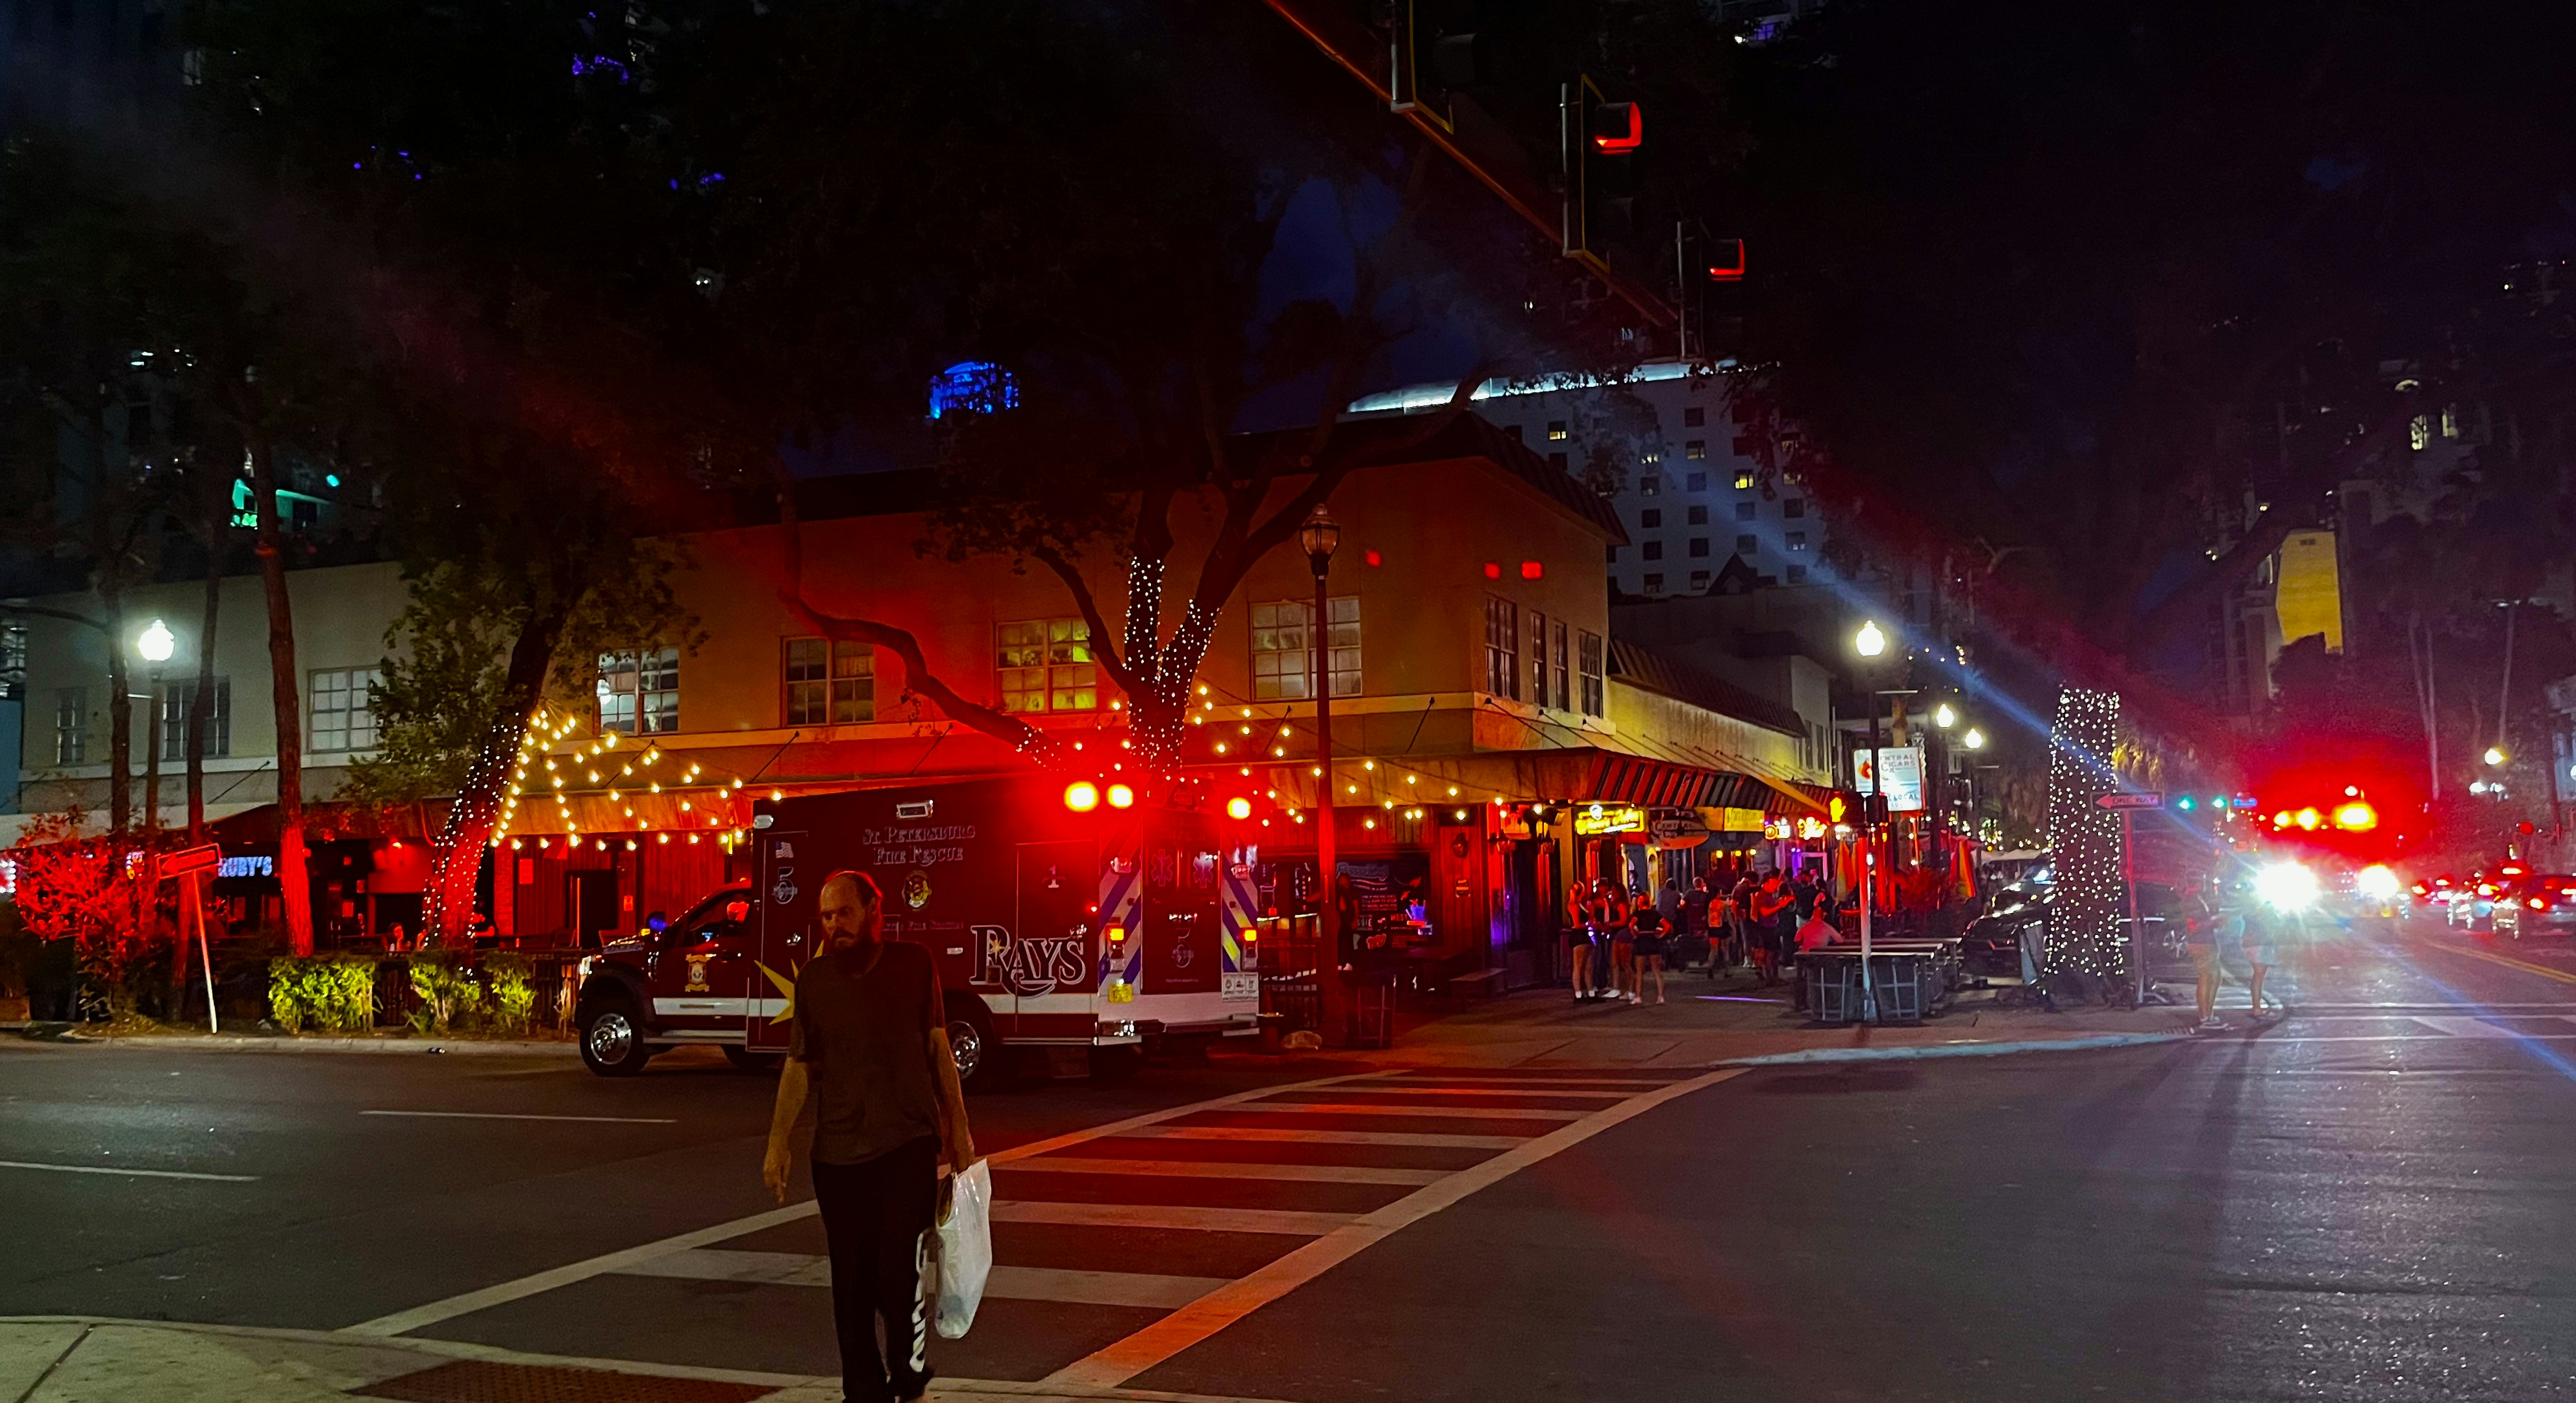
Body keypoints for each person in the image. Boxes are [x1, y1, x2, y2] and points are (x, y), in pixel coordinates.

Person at [763, 871, 978, 1403]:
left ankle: (908, 1372)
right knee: (851, 1279)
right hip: (836, 1155)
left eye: (843, 913)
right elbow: (798, 1066)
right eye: (827, 916)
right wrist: (777, 1142)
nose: (834, 925)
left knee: (895, 1269)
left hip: (906, 1143)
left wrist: (960, 1128)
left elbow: (938, 1050)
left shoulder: (914, 964)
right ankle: (862, 1386)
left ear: (874, 913)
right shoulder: (814, 980)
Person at [2188, 886, 2229, 1032]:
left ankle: (2208, 1014)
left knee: (2214, 977)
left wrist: (2215, 922)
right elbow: (2194, 926)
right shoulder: (2191, 900)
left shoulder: (2196, 899)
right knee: (2207, 977)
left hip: (2205, 943)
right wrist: (2214, 921)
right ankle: (2205, 1016)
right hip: (2202, 944)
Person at [1633, 890, 1670, 1004]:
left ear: (1640, 902)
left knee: (1639, 971)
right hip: (1653, 941)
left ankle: (1638, 996)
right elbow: (1667, 926)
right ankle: (1661, 996)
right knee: (1656, 970)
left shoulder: (1637, 915)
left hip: (1642, 940)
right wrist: (1661, 935)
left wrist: (1635, 934)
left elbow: (1631, 925)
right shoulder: (1655, 914)